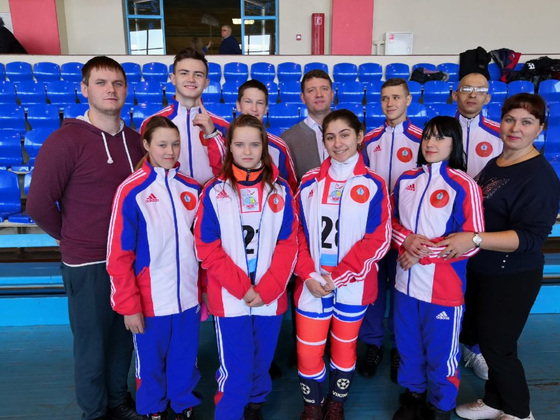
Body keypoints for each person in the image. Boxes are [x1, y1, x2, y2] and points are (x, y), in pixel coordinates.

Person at [27, 56, 145, 420]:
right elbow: (38, 204)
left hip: (128, 260)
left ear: (126, 90)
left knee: (123, 338)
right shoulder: (65, 140)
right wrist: (69, 237)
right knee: (92, 344)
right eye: (101, 82)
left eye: (117, 83)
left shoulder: (136, 142)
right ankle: (93, 412)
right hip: (87, 262)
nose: (111, 90)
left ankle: (117, 401)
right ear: (84, 89)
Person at [449, 93, 560, 420]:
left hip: (513, 274)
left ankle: (519, 412)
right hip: (484, 270)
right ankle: (494, 401)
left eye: (526, 122)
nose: (515, 128)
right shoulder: (496, 163)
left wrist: (474, 239)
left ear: (540, 128)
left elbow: (530, 238)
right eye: (510, 119)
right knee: (487, 340)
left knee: (498, 348)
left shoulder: (540, 176)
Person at [194, 114, 297, 420]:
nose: (247, 151)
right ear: (229, 147)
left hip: (269, 296)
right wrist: (243, 288)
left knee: (261, 363)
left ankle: (255, 407)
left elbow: (289, 243)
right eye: (240, 144)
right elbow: (207, 248)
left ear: (264, 147)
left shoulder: (281, 190)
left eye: (254, 144)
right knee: (236, 368)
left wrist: (267, 288)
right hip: (231, 297)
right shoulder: (214, 191)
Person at [295, 109, 391, 420]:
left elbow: (378, 239)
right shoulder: (309, 182)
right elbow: (295, 233)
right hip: (312, 283)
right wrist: (308, 273)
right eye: (330, 137)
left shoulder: (374, 184)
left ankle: (336, 403)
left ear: (359, 136)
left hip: (353, 286)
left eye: (345, 135)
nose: (337, 143)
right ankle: (313, 405)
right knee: (308, 350)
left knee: (344, 348)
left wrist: (338, 277)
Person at [107, 116, 202, 420]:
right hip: (150, 300)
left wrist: (203, 292)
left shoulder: (192, 188)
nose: (170, 151)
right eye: (162, 144)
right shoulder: (131, 190)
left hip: (188, 297)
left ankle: (183, 407)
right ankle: (153, 411)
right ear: (147, 145)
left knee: (184, 359)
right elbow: (119, 255)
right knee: (150, 364)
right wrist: (129, 306)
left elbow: (202, 247)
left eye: (175, 144)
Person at [390, 116, 484, 420]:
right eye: (428, 137)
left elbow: (473, 240)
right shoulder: (406, 179)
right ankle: (413, 396)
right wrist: (407, 241)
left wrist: (421, 253)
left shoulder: (464, 184)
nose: (431, 143)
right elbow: (389, 223)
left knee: (442, 353)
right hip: (405, 284)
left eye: (441, 137)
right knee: (408, 346)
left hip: (443, 289)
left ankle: (441, 406)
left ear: (454, 143)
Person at [358, 78, 423, 382]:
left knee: (401, 290)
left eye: (396, 97)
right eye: (385, 98)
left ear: (408, 100)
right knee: (372, 288)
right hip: (373, 229)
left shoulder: (422, 139)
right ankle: (373, 345)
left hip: (406, 231)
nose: (390, 103)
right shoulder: (370, 139)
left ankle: (399, 346)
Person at [453, 72, 502, 380]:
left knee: (482, 290)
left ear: (488, 97)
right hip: (446, 225)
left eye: (479, 90)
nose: (472, 94)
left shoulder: (500, 134)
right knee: (451, 287)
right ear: (455, 94)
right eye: (466, 88)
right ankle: (450, 341)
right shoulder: (438, 131)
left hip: (486, 226)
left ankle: (476, 347)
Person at [140, 47, 229, 185]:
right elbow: (145, 168)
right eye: (184, 73)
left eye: (198, 75)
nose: (191, 79)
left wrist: (212, 133)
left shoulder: (222, 126)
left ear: (206, 83)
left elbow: (228, 168)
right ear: (173, 79)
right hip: (170, 195)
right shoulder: (152, 123)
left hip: (211, 195)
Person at [236, 79, 298, 192]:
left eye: (259, 103)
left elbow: (290, 189)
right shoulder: (224, 142)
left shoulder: (279, 147)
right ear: (238, 105)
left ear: (266, 108)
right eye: (248, 102)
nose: (254, 108)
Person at [281, 69, 335, 180]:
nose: (319, 94)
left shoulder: (351, 132)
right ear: (303, 98)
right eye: (311, 90)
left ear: (332, 94)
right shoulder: (287, 139)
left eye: (324, 89)